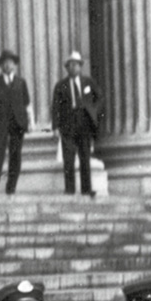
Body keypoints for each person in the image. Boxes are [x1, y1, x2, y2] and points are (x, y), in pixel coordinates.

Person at [50, 51, 102, 196]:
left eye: (76, 64)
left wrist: (93, 111)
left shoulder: (88, 82)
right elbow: (55, 107)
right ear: (67, 68)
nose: (73, 67)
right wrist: (55, 127)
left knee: (85, 157)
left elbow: (100, 98)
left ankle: (86, 189)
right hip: (68, 124)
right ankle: (70, 189)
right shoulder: (61, 86)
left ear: (80, 66)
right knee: (69, 159)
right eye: (70, 65)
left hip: (84, 123)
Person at [0, 49, 31, 195]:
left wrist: (30, 122)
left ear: (15, 65)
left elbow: (27, 103)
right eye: (5, 63)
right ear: (1, 65)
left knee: (15, 157)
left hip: (17, 124)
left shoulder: (21, 83)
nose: (8, 65)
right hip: (0, 124)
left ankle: (11, 188)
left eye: (10, 63)